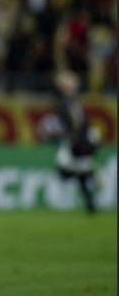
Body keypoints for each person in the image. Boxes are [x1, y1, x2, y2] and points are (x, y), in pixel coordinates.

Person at [42, 70, 100, 214]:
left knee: (64, 169)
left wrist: (73, 134)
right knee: (78, 172)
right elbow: (75, 120)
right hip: (79, 138)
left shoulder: (69, 101)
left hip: (78, 140)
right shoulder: (67, 101)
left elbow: (76, 121)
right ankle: (90, 201)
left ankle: (92, 174)